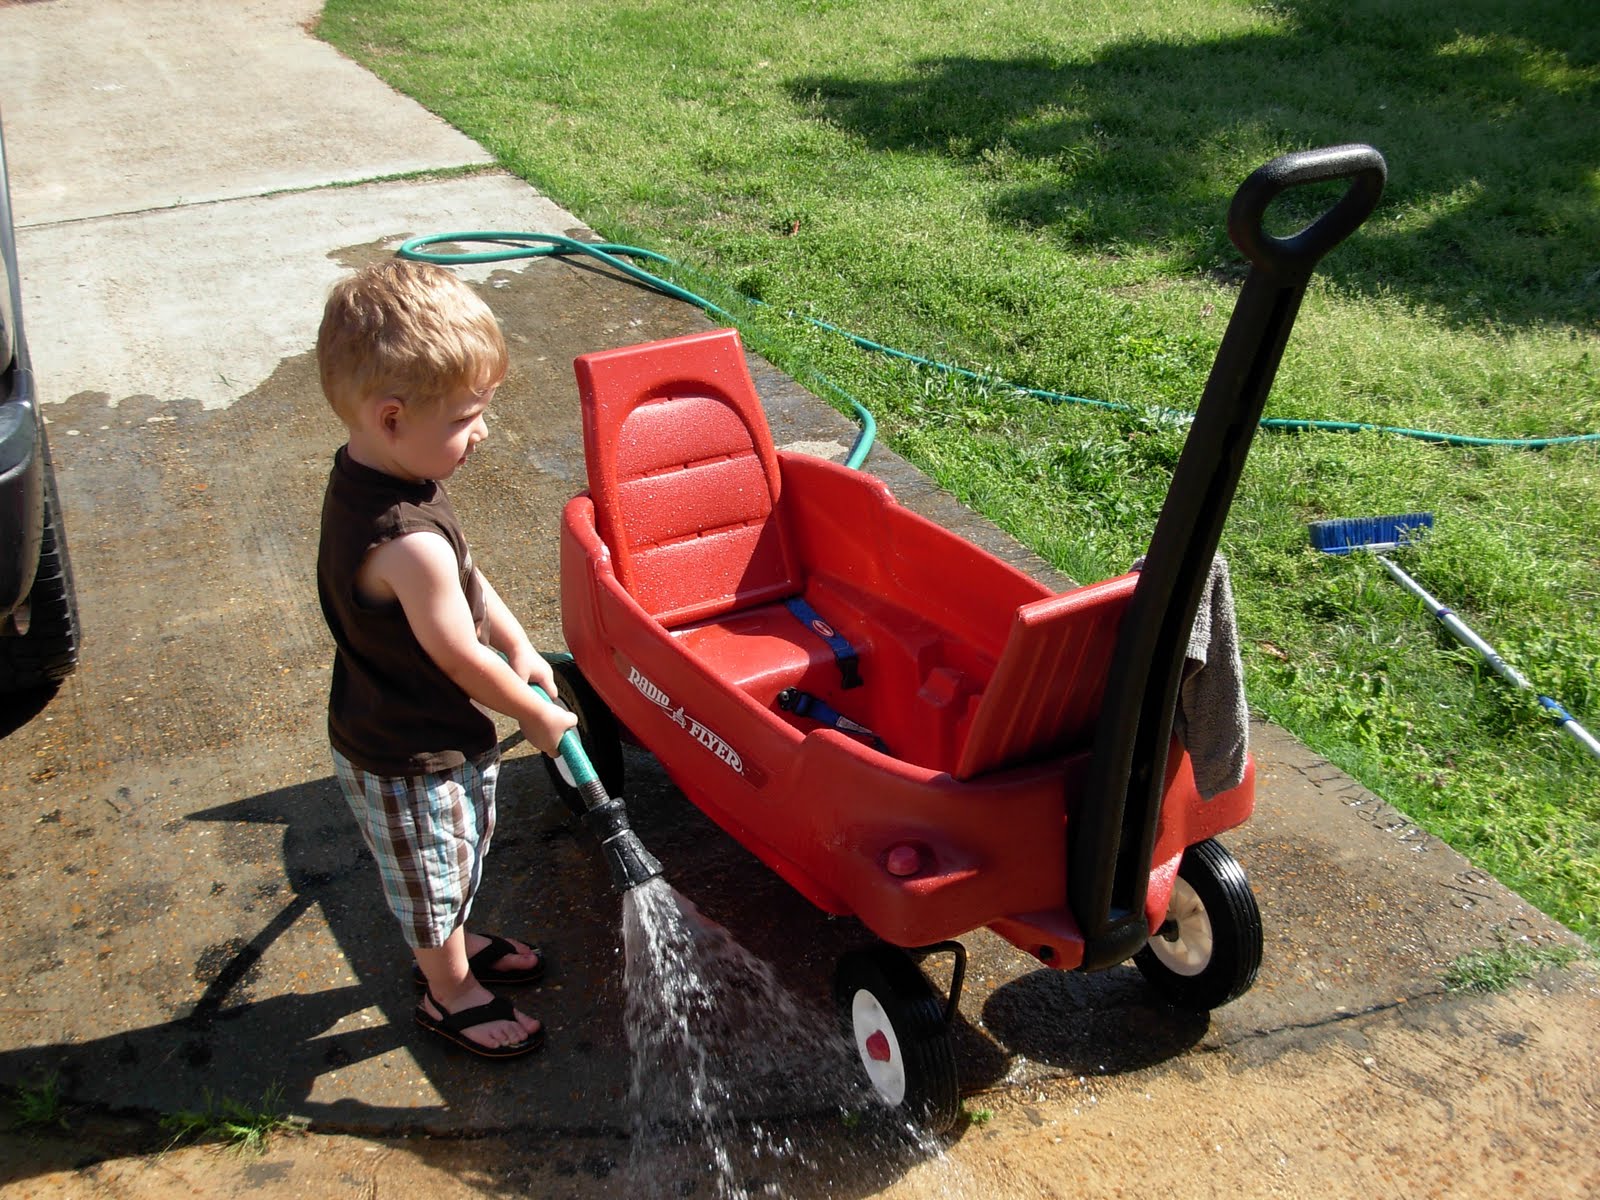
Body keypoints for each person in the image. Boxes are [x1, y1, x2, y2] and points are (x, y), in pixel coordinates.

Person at [315, 259, 577, 1059]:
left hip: (411, 726)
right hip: (406, 751)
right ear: (391, 417)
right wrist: (532, 710)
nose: (485, 432)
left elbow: (468, 580)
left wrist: (521, 642)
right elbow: (458, 655)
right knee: (432, 877)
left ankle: (455, 943)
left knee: (454, 856)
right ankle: (449, 988)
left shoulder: (389, 472)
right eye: (469, 416)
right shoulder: (404, 541)